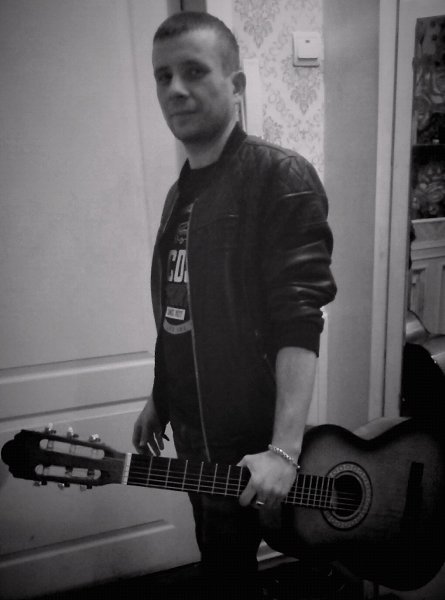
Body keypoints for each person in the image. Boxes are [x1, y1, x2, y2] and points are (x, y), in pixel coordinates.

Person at [132, 11, 336, 599]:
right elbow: (179, 314)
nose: (175, 89)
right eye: (163, 76)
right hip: (194, 434)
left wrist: (283, 451)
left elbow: (300, 317)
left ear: (237, 85)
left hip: (250, 443)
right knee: (220, 562)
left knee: (228, 574)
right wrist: (160, 396)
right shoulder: (180, 194)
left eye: (194, 71)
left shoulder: (280, 176)